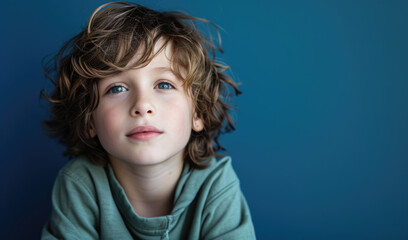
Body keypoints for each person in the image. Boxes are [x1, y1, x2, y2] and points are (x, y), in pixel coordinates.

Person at [40, 2, 255, 239]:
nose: (142, 105)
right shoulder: (80, 183)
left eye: (164, 85)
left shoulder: (216, 185)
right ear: (89, 120)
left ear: (198, 113)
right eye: (117, 88)